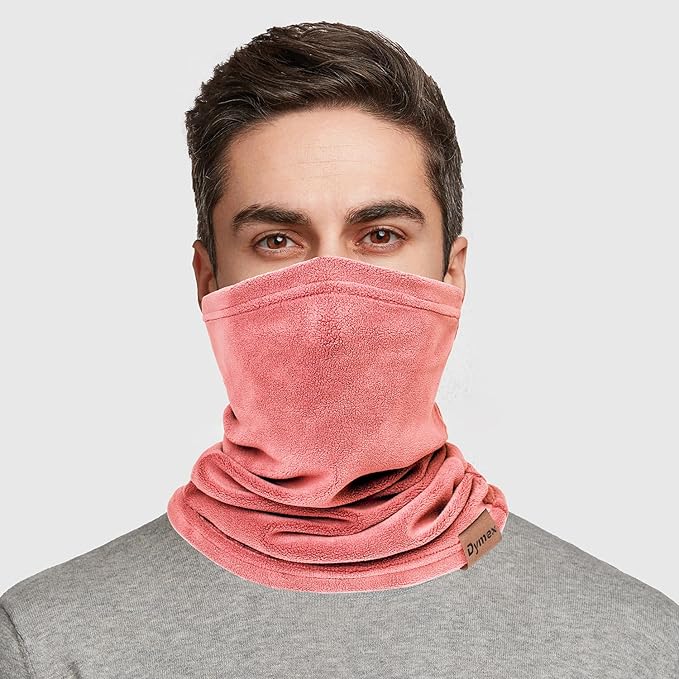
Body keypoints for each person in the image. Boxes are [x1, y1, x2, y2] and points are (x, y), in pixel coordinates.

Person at [1, 20, 677, 678]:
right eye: (276, 240)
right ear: (208, 281)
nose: (330, 294)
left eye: (380, 235)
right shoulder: (47, 645)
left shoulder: (637, 647)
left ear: (452, 273)